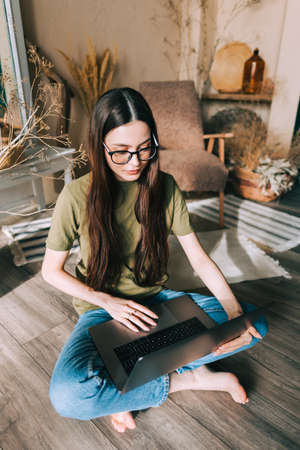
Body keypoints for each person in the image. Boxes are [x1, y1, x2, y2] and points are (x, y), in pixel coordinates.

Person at [42, 87, 268, 433]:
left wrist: (234, 315)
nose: (135, 162)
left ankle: (127, 387)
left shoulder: (166, 187)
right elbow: (51, 271)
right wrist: (109, 302)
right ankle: (187, 378)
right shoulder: (75, 196)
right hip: (103, 312)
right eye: (120, 152)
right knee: (68, 395)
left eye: (145, 148)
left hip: (159, 302)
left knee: (256, 325)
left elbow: (200, 259)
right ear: (99, 146)